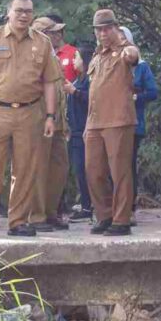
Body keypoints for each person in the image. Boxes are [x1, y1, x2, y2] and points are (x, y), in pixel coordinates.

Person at [0, 0, 61, 237]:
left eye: (28, 11)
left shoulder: (42, 42)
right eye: (19, 10)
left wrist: (50, 116)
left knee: (25, 170)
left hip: (30, 112)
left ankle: (18, 221)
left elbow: (50, 82)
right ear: (8, 12)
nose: (23, 15)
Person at [84, 9, 141, 236]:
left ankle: (121, 220)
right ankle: (105, 215)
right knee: (93, 171)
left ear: (116, 28)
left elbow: (132, 55)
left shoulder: (125, 49)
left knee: (120, 172)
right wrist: (87, 125)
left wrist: (125, 45)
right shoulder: (97, 55)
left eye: (107, 28)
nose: (103, 33)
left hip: (118, 121)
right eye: (99, 29)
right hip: (94, 122)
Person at [28, 17, 70, 232]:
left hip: (58, 121)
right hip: (40, 119)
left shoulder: (53, 54)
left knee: (59, 168)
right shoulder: (33, 56)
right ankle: (36, 215)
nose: (57, 35)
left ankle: (50, 212)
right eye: (52, 32)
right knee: (39, 168)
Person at [119, 26, 158, 225]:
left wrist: (135, 97)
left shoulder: (141, 67)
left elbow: (152, 92)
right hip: (111, 123)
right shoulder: (107, 62)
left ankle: (130, 208)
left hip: (134, 123)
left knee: (128, 165)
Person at [65, 44, 94, 222]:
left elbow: (92, 100)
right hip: (74, 130)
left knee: (86, 169)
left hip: (85, 129)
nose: (74, 60)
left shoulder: (89, 80)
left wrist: (75, 92)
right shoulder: (77, 79)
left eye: (76, 57)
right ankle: (85, 203)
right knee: (79, 169)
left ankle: (88, 206)